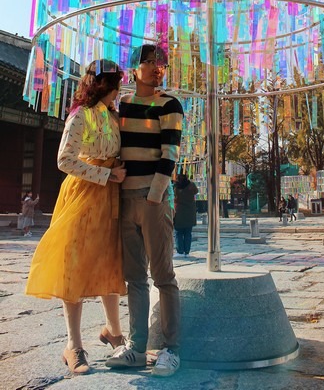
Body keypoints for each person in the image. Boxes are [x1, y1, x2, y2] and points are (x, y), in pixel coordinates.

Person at [26, 60, 127, 375]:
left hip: (109, 197)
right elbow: (64, 160)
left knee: (109, 261)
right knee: (75, 263)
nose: (119, 90)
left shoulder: (112, 116)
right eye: (117, 84)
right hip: (84, 194)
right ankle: (73, 345)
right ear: (106, 85)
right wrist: (106, 174)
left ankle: (114, 330)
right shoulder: (80, 116)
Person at [106, 44, 183, 377]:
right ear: (134, 69)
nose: (155, 68)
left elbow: (170, 152)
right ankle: (137, 349)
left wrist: (155, 196)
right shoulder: (122, 105)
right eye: (149, 62)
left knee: (163, 275)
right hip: (124, 199)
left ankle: (170, 348)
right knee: (134, 277)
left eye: (161, 64)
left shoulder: (169, 104)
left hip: (153, 200)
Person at [173, 173, 198, 257]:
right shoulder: (191, 185)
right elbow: (196, 191)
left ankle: (180, 251)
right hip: (190, 211)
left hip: (179, 211)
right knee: (188, 233)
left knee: (178, 232)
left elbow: (173, 196)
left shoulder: (175, 186)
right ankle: (187, 251)